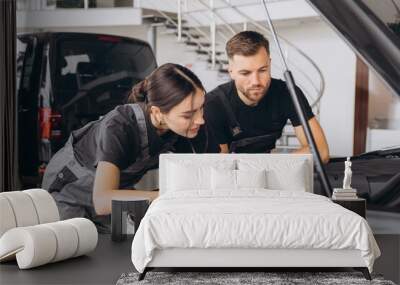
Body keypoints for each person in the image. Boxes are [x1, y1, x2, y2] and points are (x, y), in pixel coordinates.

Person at [42, 63, 219, 231]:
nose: (200, 119)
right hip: (70, 189)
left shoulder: (186, 128)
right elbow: (103, 200)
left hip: (116, 190)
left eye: (201, 108)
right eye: (188, 115)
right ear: (157, 112)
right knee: (79, 246)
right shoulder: (119, 126)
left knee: (125, 245)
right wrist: (165, 196)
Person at [204, 31, 329, 162]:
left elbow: (321, 152)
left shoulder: (287, 93)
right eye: (245, 73)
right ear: (231, 72)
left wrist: (272, 165)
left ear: (269, 63)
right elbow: (219, 165)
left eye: (262, 70)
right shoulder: (213, 105)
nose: (256, 81)